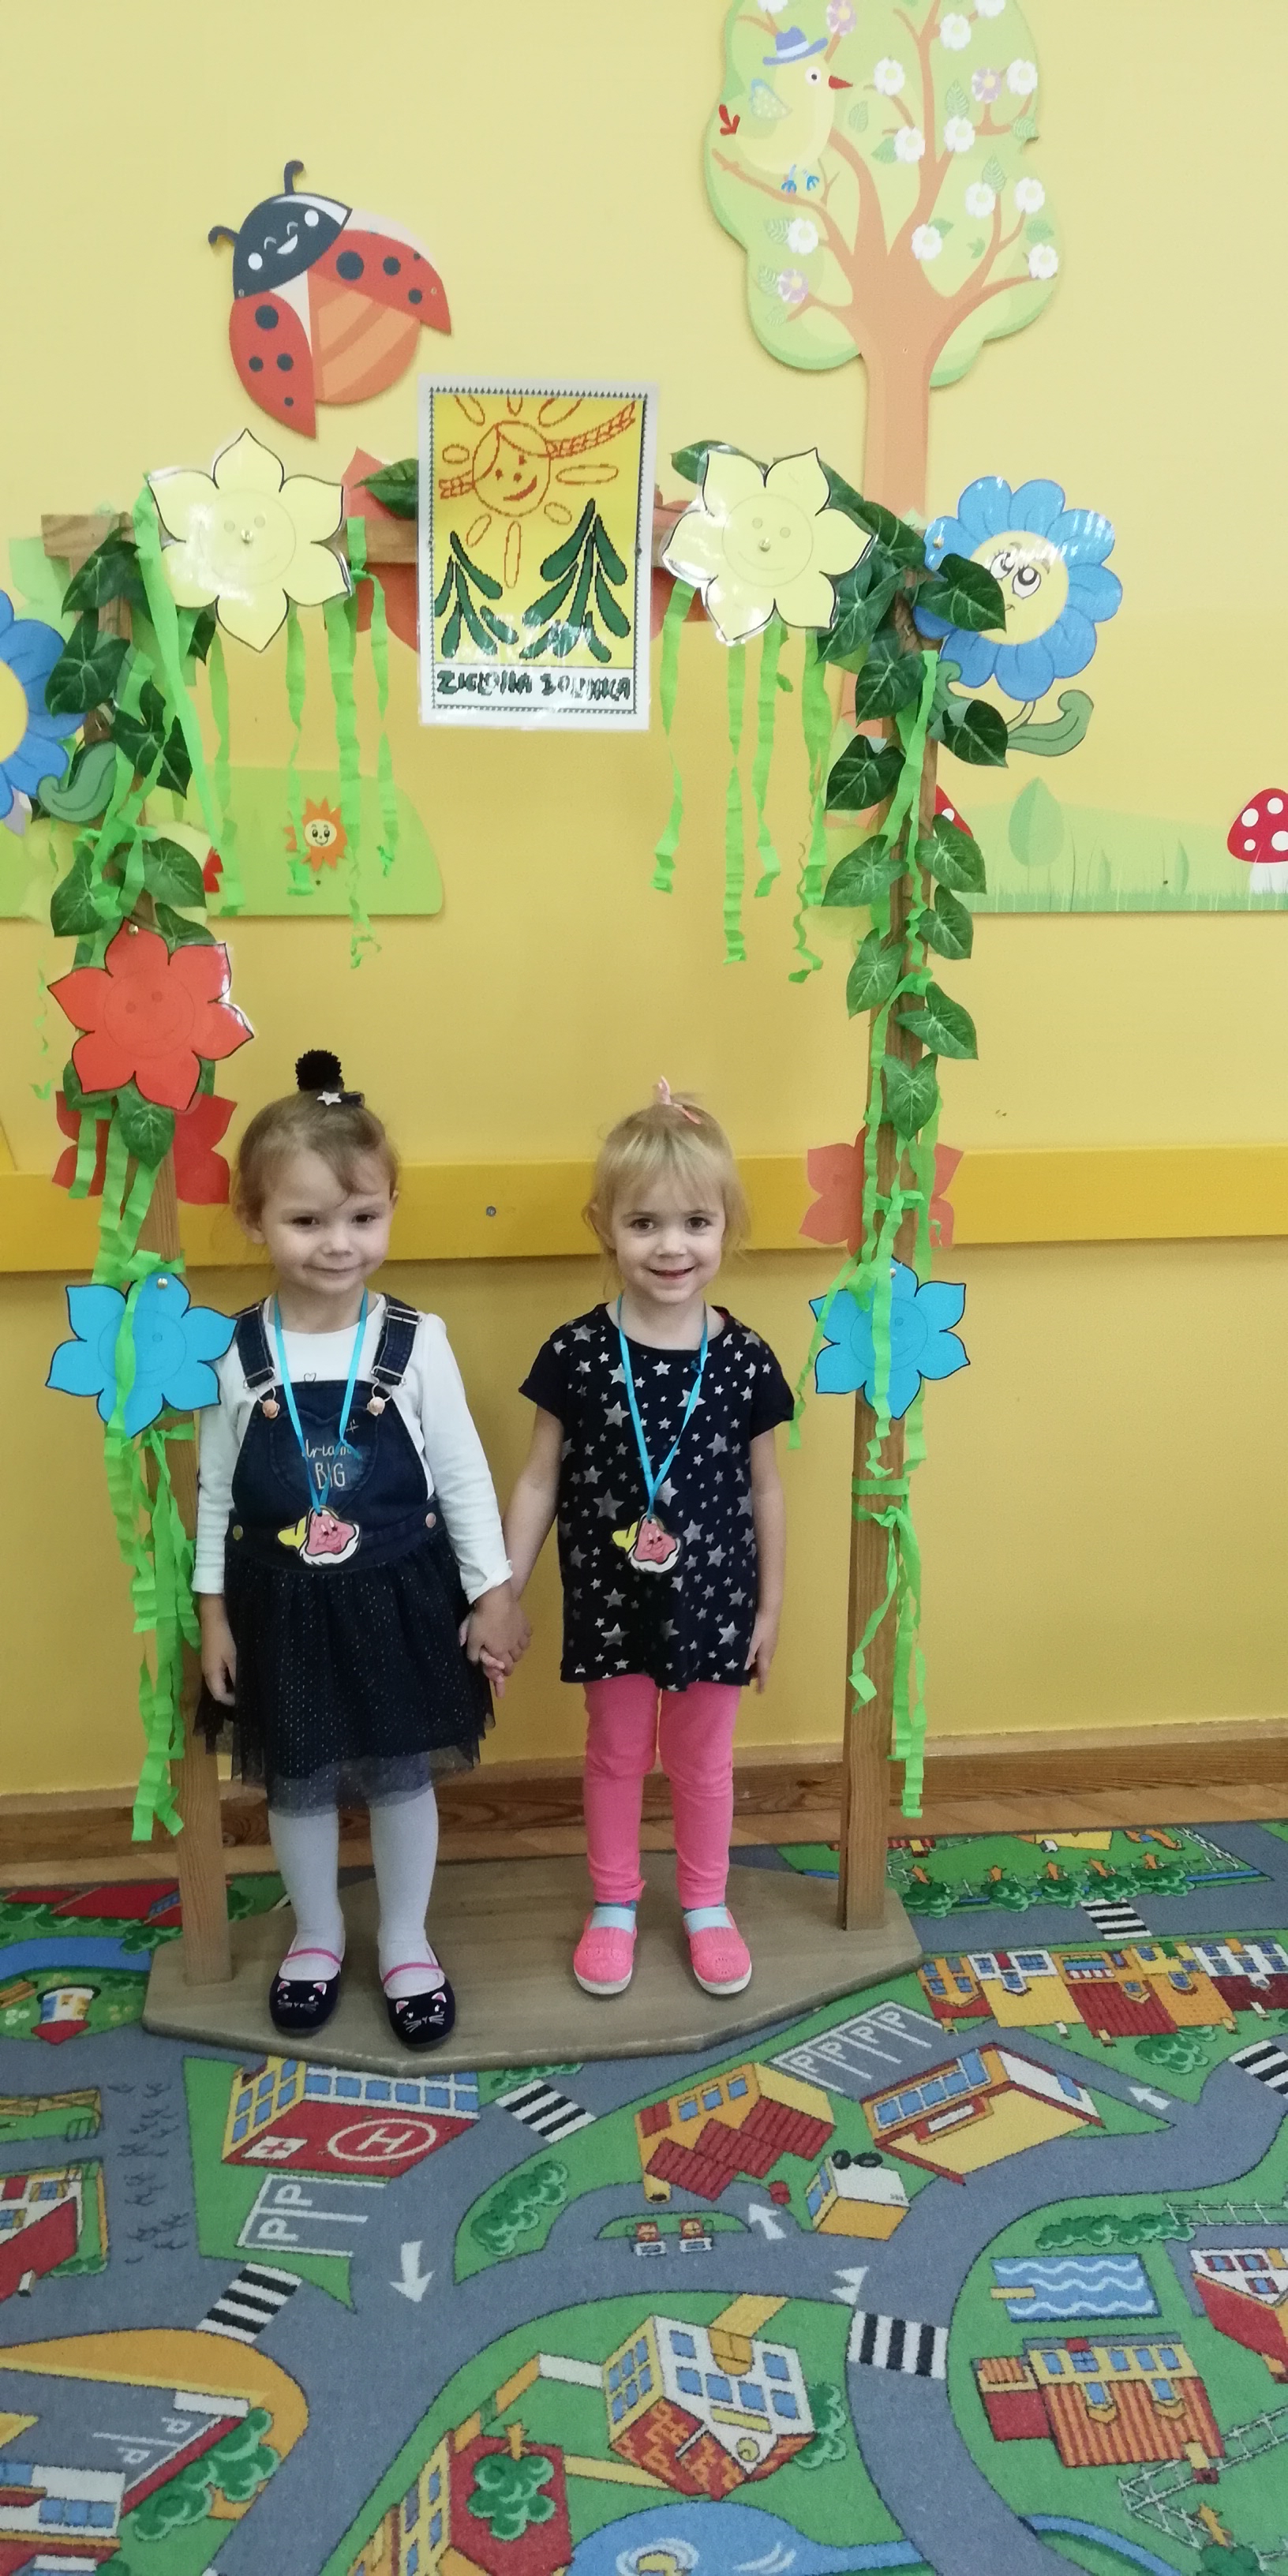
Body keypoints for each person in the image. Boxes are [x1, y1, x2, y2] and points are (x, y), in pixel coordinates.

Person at [196, 1050, 526, 2049]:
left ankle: (407, 1941)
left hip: (398, 1600)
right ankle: (317, 1934)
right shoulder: (232, 1353)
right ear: (254, 1219)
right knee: (295, 1780)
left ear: (390, 1209)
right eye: (306, 1221)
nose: (338, 1244)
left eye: (362, 1217)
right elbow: (214, 1492)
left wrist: (494, 1593)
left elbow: (463, 1477)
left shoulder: (417, 1341)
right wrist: (212, 1614)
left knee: (398, 1777)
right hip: (278, 1607)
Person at [504, 1083, 792, 2001]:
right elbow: (539, 1480)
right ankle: (615, 1903)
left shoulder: (745, 1357)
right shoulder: (576, 1353)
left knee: (704, 1763)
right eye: (645, 1224)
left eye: (696, 1222)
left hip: (715, 1604)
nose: (672, 1246)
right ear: (605, 1226)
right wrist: (503, 1590)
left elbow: (766, 1488)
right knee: (616, 1754)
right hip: (611, 1600)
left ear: (727, 1225)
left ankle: (706, 1904)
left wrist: (770, 1607)